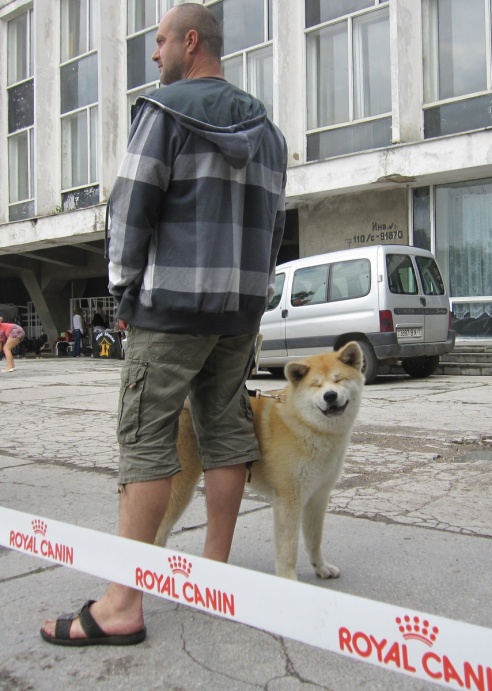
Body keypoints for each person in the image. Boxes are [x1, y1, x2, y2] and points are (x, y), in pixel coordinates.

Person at [41, 2, 287, 646]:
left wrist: (124, 292)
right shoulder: (269, 131)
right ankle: (215, 576)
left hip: (171, 309)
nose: (153, 55)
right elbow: (275, 228)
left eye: (158, 43)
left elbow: (130, 208)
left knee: (146, 438)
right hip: (238, 312)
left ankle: (122, 602)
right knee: (225, 431)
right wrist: (251, 299)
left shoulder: (162, 115)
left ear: (189, 41)